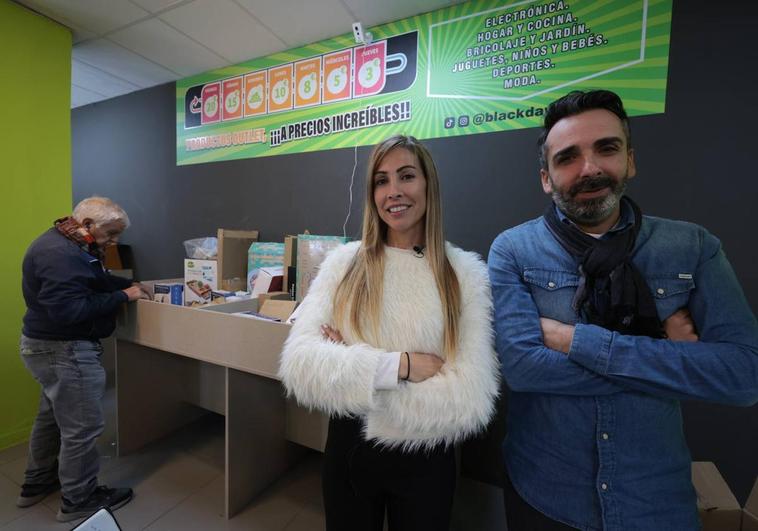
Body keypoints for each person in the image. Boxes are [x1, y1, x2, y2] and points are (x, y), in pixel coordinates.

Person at [488, 89, 758, 530]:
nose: (589, 168)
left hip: (655, 503)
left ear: (630, 160)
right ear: (546, 177)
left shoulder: (692, 247)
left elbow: (743, 375)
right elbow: (523, 369)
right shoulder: (514, 249)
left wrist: (571, 339)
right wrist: (665, 354)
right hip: (547, 495)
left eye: (606, 149)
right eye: (568, 157)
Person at [279, 135, 499, 531]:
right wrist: (401, 365)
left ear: (428, 184)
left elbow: (472, 394)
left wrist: (352, 364)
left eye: (406, 176)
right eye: (381, 181)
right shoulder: (344, 263)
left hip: (428, 455)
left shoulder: (464, 273)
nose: (393, 192)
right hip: (350, 449)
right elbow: (300, 364)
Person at [17, 196, 150, 522]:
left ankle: (37, 483)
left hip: (45, 346)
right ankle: (79, 498)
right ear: (88, 225)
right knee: (82, 427)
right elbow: (70, 311)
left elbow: (94, 280)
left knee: (50, 419)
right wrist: (124, 296)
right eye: (111, 233)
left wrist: (127, 285)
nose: (114, 241)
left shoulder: (70, 243)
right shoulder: (61, 255)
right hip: (65, 349)